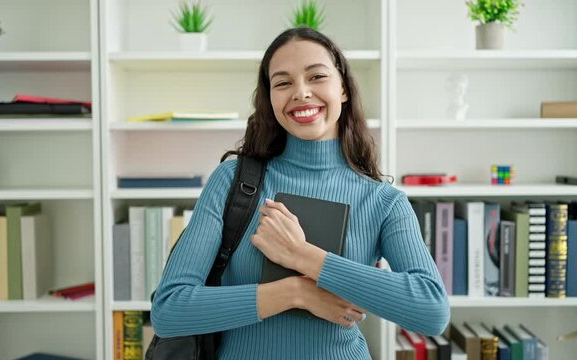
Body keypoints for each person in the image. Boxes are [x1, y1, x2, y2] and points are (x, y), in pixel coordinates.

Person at [151, 27, 450, 359]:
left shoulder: (383, 201)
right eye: (283, 83)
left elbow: (431, 310)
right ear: (271, 99)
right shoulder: (232, 180)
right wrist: (296, 292)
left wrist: (302, 255)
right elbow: (169, 309)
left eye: (316, 76)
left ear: (344, 89)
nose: (301, 93)